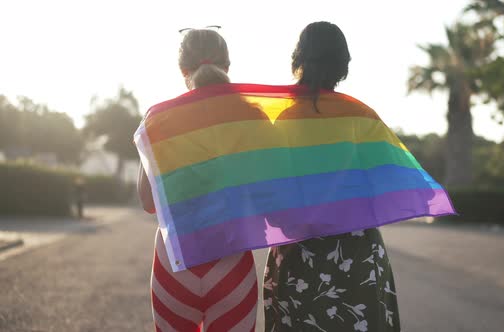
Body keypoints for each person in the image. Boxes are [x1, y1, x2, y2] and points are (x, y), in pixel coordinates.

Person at [263, 22, 402, 332]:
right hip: (359, 259)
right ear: (343, 63)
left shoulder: (283, 121)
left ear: (299, 59)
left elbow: (273, 210)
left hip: (298, 261)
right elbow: (387, 188)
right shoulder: (362, 117)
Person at [137, 29, 258, 332]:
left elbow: (148, 202)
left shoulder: (157, 119)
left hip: (174, 262)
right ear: (227, 67)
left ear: (182, 70)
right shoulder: (250, 116)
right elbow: (266, 196)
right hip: (232, 262)